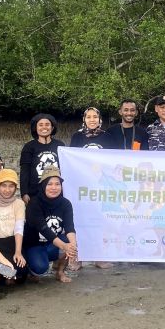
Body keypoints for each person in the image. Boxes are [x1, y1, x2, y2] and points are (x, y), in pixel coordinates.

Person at [69, 107, 113, 269]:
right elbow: (71, 159)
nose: (92, 119)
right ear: (84, 119)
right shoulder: (77, 137)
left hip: (101, 185)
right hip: (81, 184)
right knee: (79, 219)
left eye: (95, 116)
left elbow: (112, 160)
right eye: (89, 117)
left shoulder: (107, 137)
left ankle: (98, 256)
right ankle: (77, 256)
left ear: (100, 119)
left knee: (100, 220)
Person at [23, 167, 78, 283]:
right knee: (40, 268)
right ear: (43, 185)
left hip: (53, 244)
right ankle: (30, 267)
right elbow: (43, 229)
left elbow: (69, 227)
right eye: (50, 184)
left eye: (57, 184)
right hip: (34, 244)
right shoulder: (34, 203)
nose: (54, 188)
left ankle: (60, 271)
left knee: (70, 243)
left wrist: (72, 247)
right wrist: (64, 246)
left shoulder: (65, 203)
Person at [0, 169, 27, 281]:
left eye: (11, 186)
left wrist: (18, 252)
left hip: (12, 243)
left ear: (15, 187)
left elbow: (19, 229)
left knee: (20, 271)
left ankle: (4, 274)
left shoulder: (19, 204)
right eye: (4, 186)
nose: (7, 190)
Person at [19, 113, 65, 204]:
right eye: (40, 125)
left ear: (52, 128)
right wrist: (24, 193)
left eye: (47, 124)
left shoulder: (60, 145)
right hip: (35, 193)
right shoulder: (29, 147)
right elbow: (25, 171)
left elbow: (65, 168)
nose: (44, 127)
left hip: (56, 192)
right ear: (35, 128)